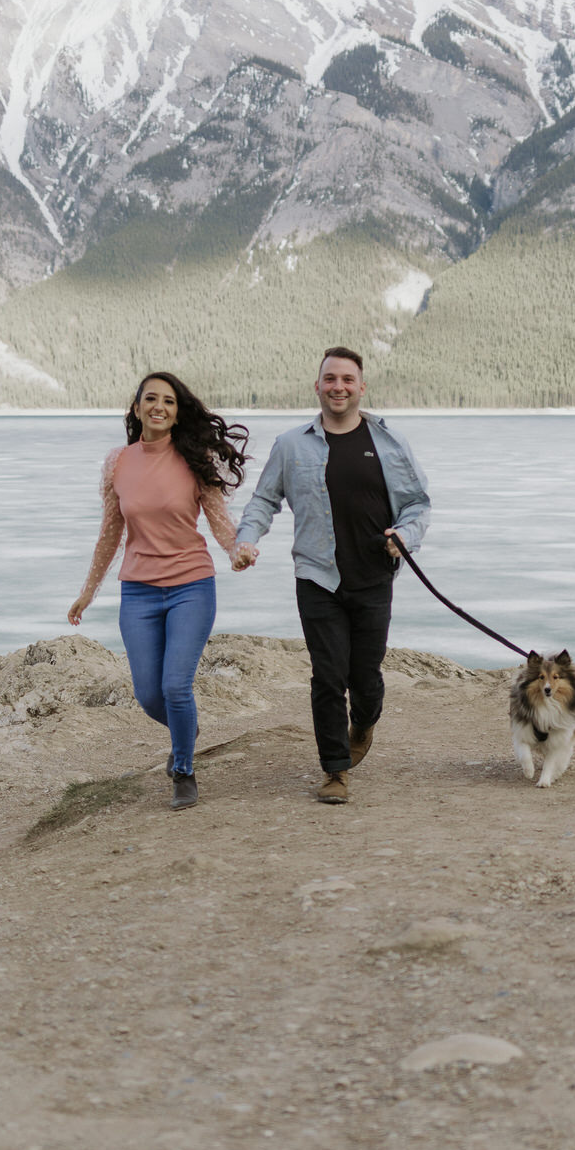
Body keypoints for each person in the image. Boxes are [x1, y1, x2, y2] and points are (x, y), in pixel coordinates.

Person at [232, 347, 430, 805]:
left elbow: (418, 504)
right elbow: (264, 501)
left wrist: (404, 535)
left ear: (361, 387)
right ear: (317, 387)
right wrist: (247, 539)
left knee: (366, 677)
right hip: (316, 578)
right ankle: (335, 771)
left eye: (347, 379)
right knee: (327, 676)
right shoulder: (291, 444)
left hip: (375, 576)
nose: (338, 387)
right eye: (329, 379)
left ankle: (364, 722)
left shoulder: (390, 444)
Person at [68, 373, 254, 810]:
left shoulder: (195, 458)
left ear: (176, 412)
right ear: (136, 409)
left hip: (191, 585)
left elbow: (219, 520)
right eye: (150, 399)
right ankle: (185, 730)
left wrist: (237, 551)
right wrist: (88, 591)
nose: (159, 406)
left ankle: (184, 770)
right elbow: (109, 534)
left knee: (175, 687)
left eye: (168, 401)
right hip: (138, 593)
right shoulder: (118, 462)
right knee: (149, 695)